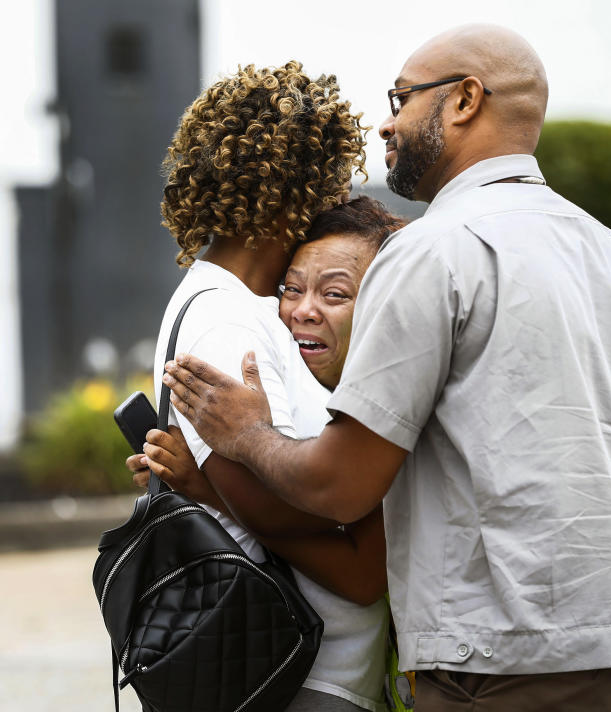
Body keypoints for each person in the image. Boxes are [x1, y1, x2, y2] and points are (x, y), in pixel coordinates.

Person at [160, 25, 611, 712]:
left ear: (465, 100)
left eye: (401, 98)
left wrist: (246, 434)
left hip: (508, 661)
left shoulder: (434, 250)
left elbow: (343, 486)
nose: (386, 123)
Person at [146, 62, 392, 712]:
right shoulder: (226, 324)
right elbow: (316, 533)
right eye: (331, 180)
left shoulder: (240, 307)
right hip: (304, 677)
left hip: (312, 669)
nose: (339, 198)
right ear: (294, 189)